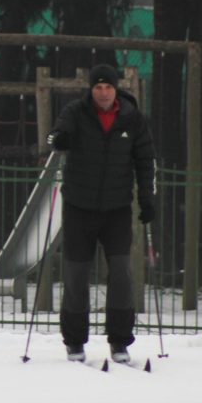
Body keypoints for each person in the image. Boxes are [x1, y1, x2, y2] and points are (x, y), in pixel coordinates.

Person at [47, 63, 156, 363]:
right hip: (79, 207)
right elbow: (54, 136)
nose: (103, 93)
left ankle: (120, 341)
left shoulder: (133, 119)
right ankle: (74, 342)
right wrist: (59, 140)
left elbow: (146, 161)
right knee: (76, 274)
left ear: (116, 89)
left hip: (116, 209)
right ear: (91, 89)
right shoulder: (75, 112)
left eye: (108, 87)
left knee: (121, 273)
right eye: (98, 87)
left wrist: (147, 200)